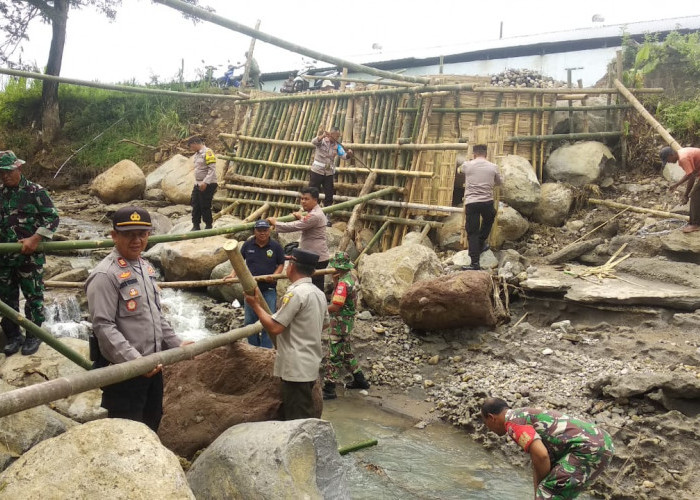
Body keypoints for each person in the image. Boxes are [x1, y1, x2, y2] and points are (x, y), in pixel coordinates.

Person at [85, 206, 190, 432]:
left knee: (152, 423)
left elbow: (155, 314)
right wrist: (135, 362)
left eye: (142, 234)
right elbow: (103, 327)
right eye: (129, 234)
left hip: (153, 366)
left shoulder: (145, 267)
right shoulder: (105, 275)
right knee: (126, 431)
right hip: (124, 371)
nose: (137, 240)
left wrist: (176, 343)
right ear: (114, 236)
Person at [244, 248, 329, 420]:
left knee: (298, 419)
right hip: (310, 362)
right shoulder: (318, 293)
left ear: (291, 267)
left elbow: (275, 328)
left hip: (296, 366)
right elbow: (325, 324)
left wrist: (255, 306)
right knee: (303, 411)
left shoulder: (296, 293)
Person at [481, 397, 614, 500]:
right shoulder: (522, 414)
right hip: (603, 442)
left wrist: (543, 491)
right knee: (559, 494)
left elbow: (542, 455)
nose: (489, 429)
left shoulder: (513, 423)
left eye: (486, 424)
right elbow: (537, 460)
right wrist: (539, 492)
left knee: (548, 492)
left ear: (491, 418)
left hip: (587, 448)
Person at [0, 151, 59, 356]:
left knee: (33, 297)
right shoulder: (0, 193)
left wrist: (35, 239)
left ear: (19, 168)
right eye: (1, 173)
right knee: (7, 300)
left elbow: (52, 219)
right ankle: (14, 336)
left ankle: (33, 335)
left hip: (29, 258)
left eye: (8, 171)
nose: (5, 176)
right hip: (4, 260)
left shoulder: (35, 191)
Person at [224, 219, 285, 348]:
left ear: (269, 231)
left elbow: (281, 263)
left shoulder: (275, 247)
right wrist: (232, 275)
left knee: (269, 320)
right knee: (249, 322)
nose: (262, 233)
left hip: (268, 288)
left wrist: (274, 275)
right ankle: (253, 349)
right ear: (254, 231)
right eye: (259, 231)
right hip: (250, 289)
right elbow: (239, 262)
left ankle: (265, 350)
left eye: (265, 230)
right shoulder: (248, 245)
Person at [321, 252, 370, 400]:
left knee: (334, 354)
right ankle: (360, 379)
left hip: (340, 322)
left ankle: (329, 388)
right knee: (346, 352)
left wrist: (321, 310)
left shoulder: (343, 283)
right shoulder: (351, 278)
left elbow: (336, 305)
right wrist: (335, 282)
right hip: (347, 321)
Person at [268, 186, 329, 291]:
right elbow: (307, 222)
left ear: (315, 200)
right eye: (302, 199)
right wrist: (301, 217)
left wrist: (276, 223)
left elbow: (295, 226)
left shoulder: (315, 215)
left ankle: (316, 306)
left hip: (315, 257)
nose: (303, 201)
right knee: (312, 285)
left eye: (306, 199)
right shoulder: (315, 212)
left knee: (314, 287)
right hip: (315, 255)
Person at [459, 144, 502, 271]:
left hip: (472, 203)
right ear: (486, 154)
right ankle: (481, 242)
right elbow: (499, 182)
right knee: (489, 219)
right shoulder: (493, 167)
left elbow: (460, 170)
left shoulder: (467, 165)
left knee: (472, 232)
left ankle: (475, 263)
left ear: (474, 154)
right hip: (487, 202)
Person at [309, 127, 353, 215]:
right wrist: (322, 136)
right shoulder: (322, 141)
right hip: (317, 171)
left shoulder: (337, 146)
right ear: (331, 134)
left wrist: (349, 155)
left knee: (329, 194)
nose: (337, 138)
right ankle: (311, 213)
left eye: (338, 136)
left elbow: (343, 156)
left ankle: (327, 215)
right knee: (313, 192)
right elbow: (313, 142)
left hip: (328, 173)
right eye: (336, 136)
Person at [665, 146, 700, 233]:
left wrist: (686, 195)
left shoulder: (683, 158)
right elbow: (690, 174)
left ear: (671, 155)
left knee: (695, 195)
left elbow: (692, 177)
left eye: (667, 160)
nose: (668, 162)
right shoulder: (681, 154)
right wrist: (677, 184)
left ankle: (695, 224)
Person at [188, 136, 218, 231]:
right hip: (198, 183)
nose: (191, 149)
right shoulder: (197, 154)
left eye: (191, 147)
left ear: (195, 144)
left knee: (204, 205)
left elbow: (212, 169)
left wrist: (205, 182)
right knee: (195, 203)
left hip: (208, 184)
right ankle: (196, 225)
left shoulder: (208, 152)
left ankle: (208, 225)